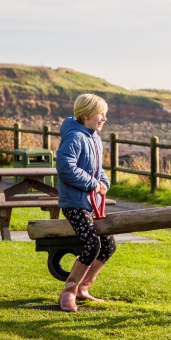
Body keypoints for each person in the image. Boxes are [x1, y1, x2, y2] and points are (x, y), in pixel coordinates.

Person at [56, 93, 116, 311]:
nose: (104, 118)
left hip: (89, 203)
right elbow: (65, 168)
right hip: (74, 203)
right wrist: (92, 184)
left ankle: (83, 288)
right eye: (101, 114)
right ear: (86, 114)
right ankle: (68, 292)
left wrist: (103, 183)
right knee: (93, 244)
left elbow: (98, 170)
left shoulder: (94, 138)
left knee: (108, 245)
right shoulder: (74, 137)